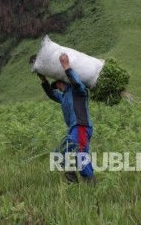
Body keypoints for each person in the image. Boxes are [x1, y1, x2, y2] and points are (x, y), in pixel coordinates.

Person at [38, 53, 97, 184]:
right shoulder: (64, 96)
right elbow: (52, 95)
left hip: (81, 125)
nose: (57, 87)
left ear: (62, 81)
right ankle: (85, 183)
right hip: (75, 128)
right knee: (77, 155)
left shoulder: (79, 92)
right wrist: (43, 80)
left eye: (57, 84)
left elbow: (77, 84)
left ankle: (77, 179)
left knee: (70, 152)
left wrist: (66, 66)